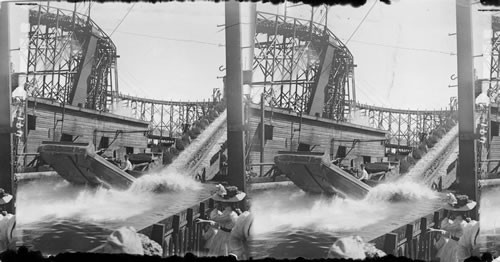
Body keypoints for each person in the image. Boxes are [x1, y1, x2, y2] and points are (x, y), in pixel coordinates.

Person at [196, 184, 245, 257]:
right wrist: (204, 221)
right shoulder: (230, 212)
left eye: (222, 202)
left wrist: (216, 208)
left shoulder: (229, 214)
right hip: (226, 235)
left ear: (226, 203)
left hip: (224, 237)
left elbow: (214, 218)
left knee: (220, 253)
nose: (221, 203)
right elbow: (219, 225)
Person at [430, 193, 477, 262]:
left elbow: (444, 226)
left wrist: (447, 216)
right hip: (459, 244)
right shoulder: (464, 221)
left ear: (456, 212)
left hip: (454, 245)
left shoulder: (458, 222)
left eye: (452, 211)